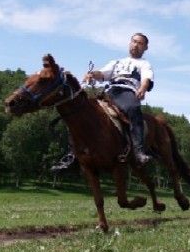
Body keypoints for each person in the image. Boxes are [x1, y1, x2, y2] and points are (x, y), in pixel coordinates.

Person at [51, 33, 154, 172]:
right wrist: (92, 74)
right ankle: (71, 155)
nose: (135, 45)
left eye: (140, 43)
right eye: (134, 41)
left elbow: (146, 78)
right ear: (130, 43)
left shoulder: (144, 64)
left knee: (133, 108)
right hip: (109, 91)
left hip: (127, 92)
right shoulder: (116, 62)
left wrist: (142, 88)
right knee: (80, 113)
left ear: (145, 47)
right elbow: (103, 74)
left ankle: (139, 152)